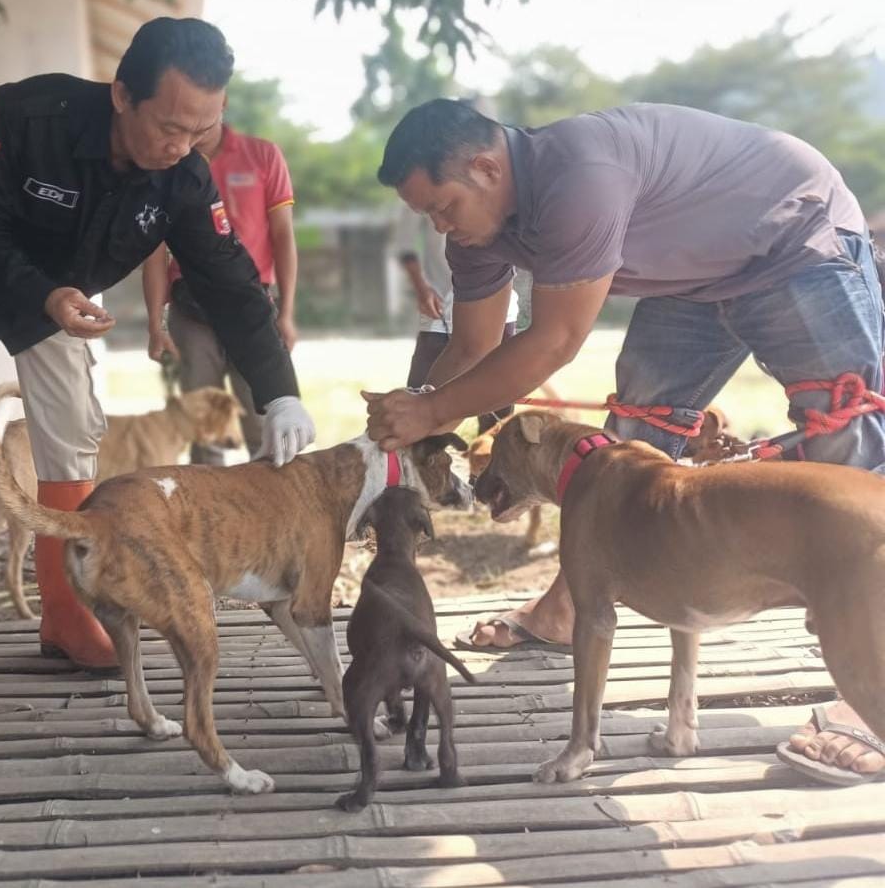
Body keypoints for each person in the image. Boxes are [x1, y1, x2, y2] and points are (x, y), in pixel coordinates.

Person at [363, 98, 885, 784]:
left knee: (845, 447)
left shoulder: (578, 175)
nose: (439, 225)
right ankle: (569, 604)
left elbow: (553, 342)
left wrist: (431, 415)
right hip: (696, 282)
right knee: (621, 452)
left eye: (444, 206)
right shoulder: (476, 234)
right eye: (427, 214)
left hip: (792, 237)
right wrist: (417, 413)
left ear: (487, 167)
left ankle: (865, 692)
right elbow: (473, 346)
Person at [0, 18, 316, 695]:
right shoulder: (24, 113)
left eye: (200, 131)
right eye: (169, 127)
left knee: (74, 440)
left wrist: (280, 392)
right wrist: (43, 292)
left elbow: (230, 280)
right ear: (121, 96)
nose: (181, 147)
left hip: (62, 299)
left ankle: (66, 614)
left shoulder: (183, 179)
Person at [141, 116, 297, 462]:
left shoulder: (263, 156)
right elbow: (153, 249)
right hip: (191, 310)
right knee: (204, 426)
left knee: (265, 420)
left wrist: (285, 314)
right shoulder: (171, 163)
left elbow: (284, 236)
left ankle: (274, 512)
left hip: (251, 309)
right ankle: (210, 514)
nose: (191, 125)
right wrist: (156, 324)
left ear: (220, 102)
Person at [395, 202, 519, 420]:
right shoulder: (418, 185)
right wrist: (421, 289)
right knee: (420, 394)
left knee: (499, 409)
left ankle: (491, 452)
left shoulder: (498, 187)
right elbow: (404, 245)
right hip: (440, 304)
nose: (442, 225)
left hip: (497, 305)